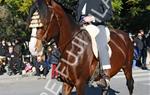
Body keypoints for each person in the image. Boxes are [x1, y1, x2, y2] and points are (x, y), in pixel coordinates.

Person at [76, 0, 113, 87]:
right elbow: (77, 14)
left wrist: (93, 18)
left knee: (101, 43)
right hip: (81, 26)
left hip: (97, 25)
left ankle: (106, 75)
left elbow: (109, 13)